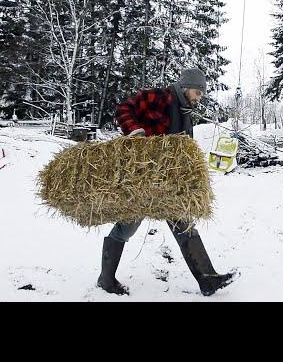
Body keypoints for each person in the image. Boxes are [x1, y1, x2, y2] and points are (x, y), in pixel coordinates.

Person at [97, 68, 239, 296]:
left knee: (183, 224)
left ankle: (207, 280)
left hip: (166, 182)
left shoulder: (184, 114)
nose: (198, 98)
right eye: (197, 92)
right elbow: (124, 109)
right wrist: (135, 132)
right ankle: (106, 279)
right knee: (127, 227)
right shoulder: (158, 97)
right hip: (142, 178)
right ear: (185, 87)